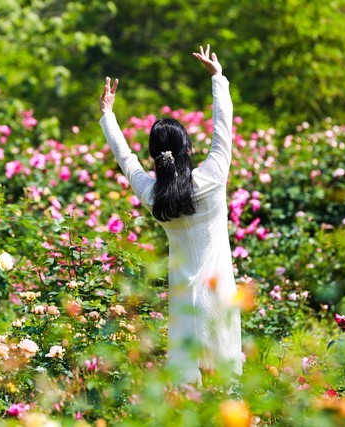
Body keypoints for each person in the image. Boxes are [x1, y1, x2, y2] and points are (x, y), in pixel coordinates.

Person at [99, 45, 241, 384]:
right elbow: (223, 127)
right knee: (227, 387)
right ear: (187, 149)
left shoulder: (153, 197)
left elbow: (125, 159)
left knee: (187, 392)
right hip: (219, 294)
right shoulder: (212, 178)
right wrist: (217, 78)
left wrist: (108, 115)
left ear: (155, 155)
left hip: (184, 305)